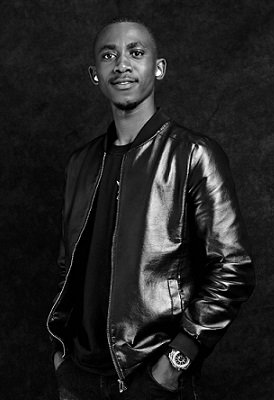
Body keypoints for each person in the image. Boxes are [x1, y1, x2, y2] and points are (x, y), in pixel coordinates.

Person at [46, 17, 255, 400]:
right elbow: (68, 266)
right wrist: (62, 358)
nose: (122, 64)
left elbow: (232, 268)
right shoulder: (80, 163)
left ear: (158, 68)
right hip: (79, 377)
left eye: (136, 52)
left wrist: (175, 361)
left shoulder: (193, 155)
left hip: (150, 378)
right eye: (109, 55)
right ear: (95, 75)